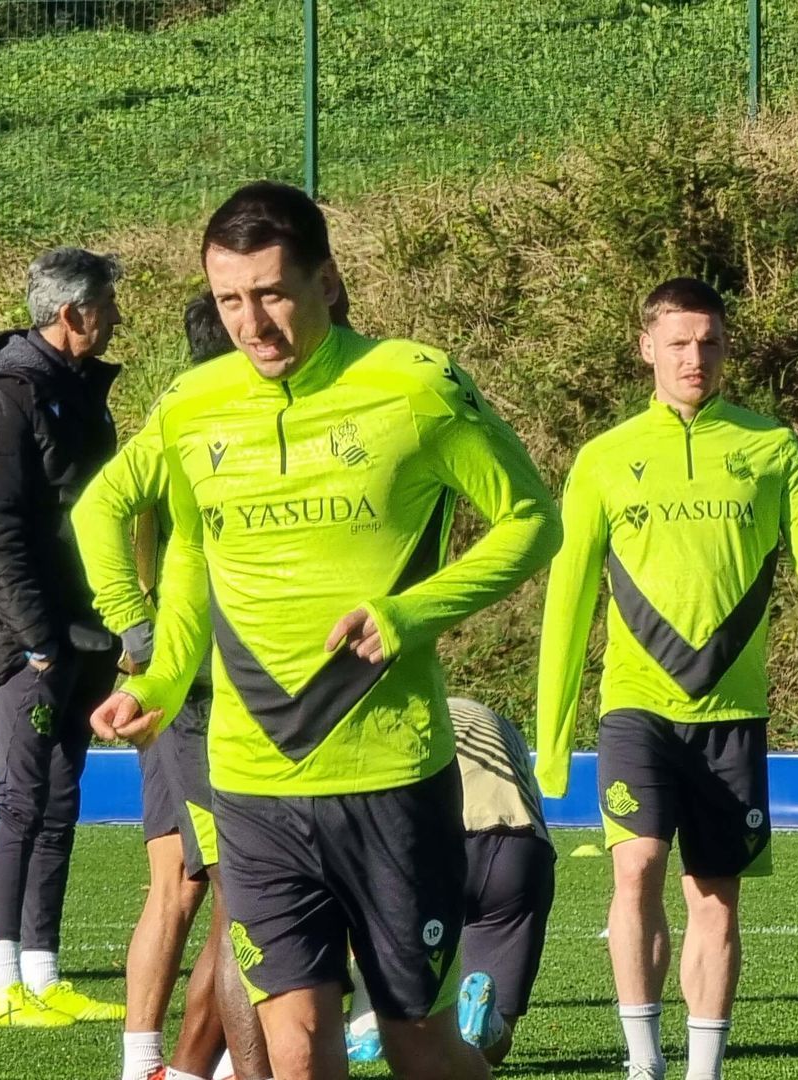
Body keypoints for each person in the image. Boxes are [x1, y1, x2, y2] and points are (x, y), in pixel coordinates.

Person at [92, 180, 562, 1080]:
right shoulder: (192, 405)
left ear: (328, 281)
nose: (251, 323)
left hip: (390, 776)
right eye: (230, 299)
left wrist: (410, 613)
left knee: (417, 1044)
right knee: (296, 1044)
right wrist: (154, 675)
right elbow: (191, 556)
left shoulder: (414, 385)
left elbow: (533, 521)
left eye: (271, 293)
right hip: (251, 781)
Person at [535, 277, 798, 1080]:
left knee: (715, 896)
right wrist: (551, 739)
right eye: (679, 342)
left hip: (733, 713)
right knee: (636, 865)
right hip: (635, 708)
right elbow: (567, 598)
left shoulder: (772, 448)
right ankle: (644, 1060)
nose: (695, 357)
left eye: (710, 342)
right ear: (646, 346)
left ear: (726, 349)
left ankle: (703, 1070)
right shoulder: (604, 459)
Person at [74, 291, 267, 1080]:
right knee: (231, 893)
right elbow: (98, 511)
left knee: (191, 888)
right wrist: (138, 627)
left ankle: (154, 1064)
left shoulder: (185, 414)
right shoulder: (198, 419)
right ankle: (184, 1067)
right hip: (192, 690)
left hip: (173, 685)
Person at [0, 246, 129, 1028]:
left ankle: (42, 973)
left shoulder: (83, 393)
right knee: (21, 802)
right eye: (107, 306)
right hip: (32, 634)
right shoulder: (2, 402)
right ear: (71, 315)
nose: (117, 318)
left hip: (86, 630)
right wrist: (36, 638)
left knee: (60, 800)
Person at [344, 700, 555, 1069]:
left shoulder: (399, 714)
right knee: (497, 1038)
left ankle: (366, 1024)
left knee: (372, 930)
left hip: (434, 843)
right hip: (518, 848)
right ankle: (489, 1026)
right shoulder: (499, 723)